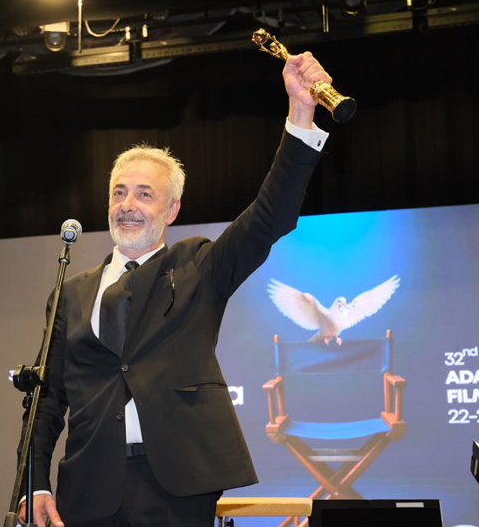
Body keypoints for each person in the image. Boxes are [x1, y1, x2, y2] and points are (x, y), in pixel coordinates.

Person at [18, 52, 333, 526]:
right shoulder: (71, 292)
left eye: (145, 194)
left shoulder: (198, 266)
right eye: (119, 192)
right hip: (88, 488)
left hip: (177, 487)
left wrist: (301, 114)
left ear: (171, 211)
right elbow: (47, 398)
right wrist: (36, 481)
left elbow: (270, 215)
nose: (128, 204)